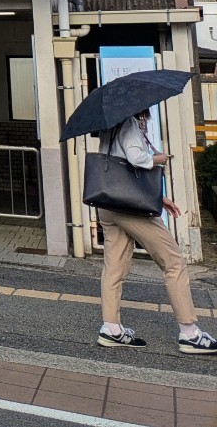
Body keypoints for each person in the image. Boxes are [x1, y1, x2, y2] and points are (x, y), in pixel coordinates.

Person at [96, 109, 217, 354]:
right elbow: (135, 159)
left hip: (108, 204)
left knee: (114, 267)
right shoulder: (129, 122)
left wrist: (158, 198)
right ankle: (190, 334)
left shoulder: (110, 126)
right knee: (173, 261)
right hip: (130, 209)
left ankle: (111, 329)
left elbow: (121, 174)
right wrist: (159, 158)